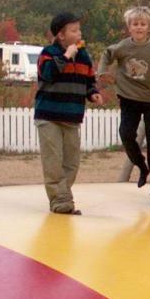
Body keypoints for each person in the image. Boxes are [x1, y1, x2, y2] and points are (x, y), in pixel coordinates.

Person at [101, 6, 150, 195]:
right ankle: (142, 167)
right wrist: (102, 71)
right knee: (126, 134)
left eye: (143, 24)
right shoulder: (123, 47)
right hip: (129, 99)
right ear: (129, 27)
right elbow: (107, 54)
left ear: (149, 27)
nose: (139, 27)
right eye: (135, 24)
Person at [34, 12, 104, 215]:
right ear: (61, 35)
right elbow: (47, 74)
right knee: (53, 161)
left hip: (72, 117)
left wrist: (93, 93)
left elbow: (89, 80)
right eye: (74, 30)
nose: (79, 33)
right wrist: (65, 57)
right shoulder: (48, 53)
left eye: (79, 29)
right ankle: (60, 201)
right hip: (49, 116)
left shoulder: (83, 56)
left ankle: (63, 196)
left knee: (72, 162)